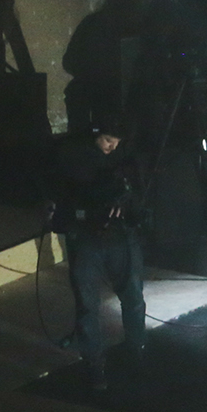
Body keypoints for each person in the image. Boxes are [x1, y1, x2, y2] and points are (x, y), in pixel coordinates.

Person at [51, 117, 147, 391]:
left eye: (116, 143)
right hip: (86, 237)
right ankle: (94, 364)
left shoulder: (123, 159)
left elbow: (136, 197)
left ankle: (136, 351)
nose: (111, 148)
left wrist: (126, 201)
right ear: (96, 135)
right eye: (107, 141)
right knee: (87, 304)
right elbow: (63, 192)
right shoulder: (72, 156)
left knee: (133, 295)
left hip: (119, 236)